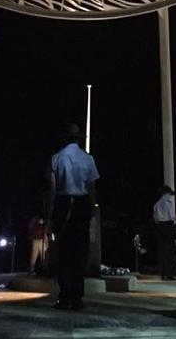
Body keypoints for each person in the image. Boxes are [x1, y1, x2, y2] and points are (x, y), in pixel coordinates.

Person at [48, 122, 100, 311]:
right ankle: (77, 297)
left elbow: (52, 190)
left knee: (63, 252)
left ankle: (64, 295)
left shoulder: (56, 158)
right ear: (79, 138)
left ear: (64, 138)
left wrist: (49, 214)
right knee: (80, 252)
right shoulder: (88, 159)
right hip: (81, 205)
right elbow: (92, 188)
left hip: (62, 205)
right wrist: (94, 211)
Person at [153, 185, 176, 280]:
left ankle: (162, 272)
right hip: (168, 226)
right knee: (169, 251)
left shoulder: (157, 204)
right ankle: (169, 273)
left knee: (162, 250)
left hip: (160, 226)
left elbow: (156, 218)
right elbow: (172, 216)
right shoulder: (168, 203)